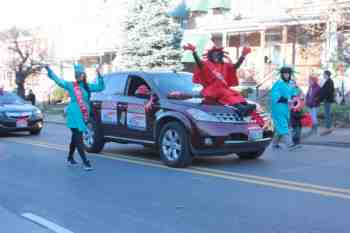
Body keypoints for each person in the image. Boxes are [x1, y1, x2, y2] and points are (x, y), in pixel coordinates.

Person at [183, 43, 264, 127]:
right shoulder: (206, 64)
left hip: (223, 88)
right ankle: (241, 108)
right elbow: (199, 63)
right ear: (210, 55)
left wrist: (243, 56)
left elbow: (235, 67)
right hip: (213, 90)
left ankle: (245, 106)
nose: (216, 56)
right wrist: (194, 52)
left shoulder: (225, 65)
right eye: (214, 55)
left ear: (221, 55)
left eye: (218, 55)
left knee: (236, 95)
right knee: (227, 95)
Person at [44, 63, 105, 170]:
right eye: (76, 74)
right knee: (78, 138)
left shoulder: (88, 86)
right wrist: (49, 70)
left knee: (75, 138)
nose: (78, 76)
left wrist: (99, 74)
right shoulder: (71, 85)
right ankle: (85, 162)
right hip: (73, 115)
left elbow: (101, 87)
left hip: (83, 115)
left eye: (80, 74)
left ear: (84, 75)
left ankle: (70, 157)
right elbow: (58, 80)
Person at [270, 66, 296, 150]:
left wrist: (295, 98)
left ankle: (274, 144)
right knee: (283, 126)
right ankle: (290, 144)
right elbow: (275, 96)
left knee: (279, 127)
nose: (286, 75)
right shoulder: (278, 84)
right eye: (285, 73)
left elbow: (293, 93)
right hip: (278, 108)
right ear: (281, 74)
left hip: (286, 108)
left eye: (288, 73)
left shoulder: (290, 84)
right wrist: (287, 100)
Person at [318, 70, 335, 135]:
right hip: (328, 100)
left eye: (324, 74)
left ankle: (328, 128)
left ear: (327, 75)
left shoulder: (329, 82)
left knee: (327, 114)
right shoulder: (329, 81)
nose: (323, 75)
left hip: (327, 100)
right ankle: (328, 127)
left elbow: (326, 92)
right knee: (328, 113)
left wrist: (320, 99)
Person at [289, 80, 304, 147]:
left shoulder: (299, 90)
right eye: (290, 83)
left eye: (293, 83)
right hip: (292, 111)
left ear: (295, 84)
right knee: (294, 127)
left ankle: (297, 141)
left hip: (299, 111)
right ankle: (293, 141)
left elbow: (303, 98)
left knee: (299, 127)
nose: (291, 85)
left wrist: (301, 98)